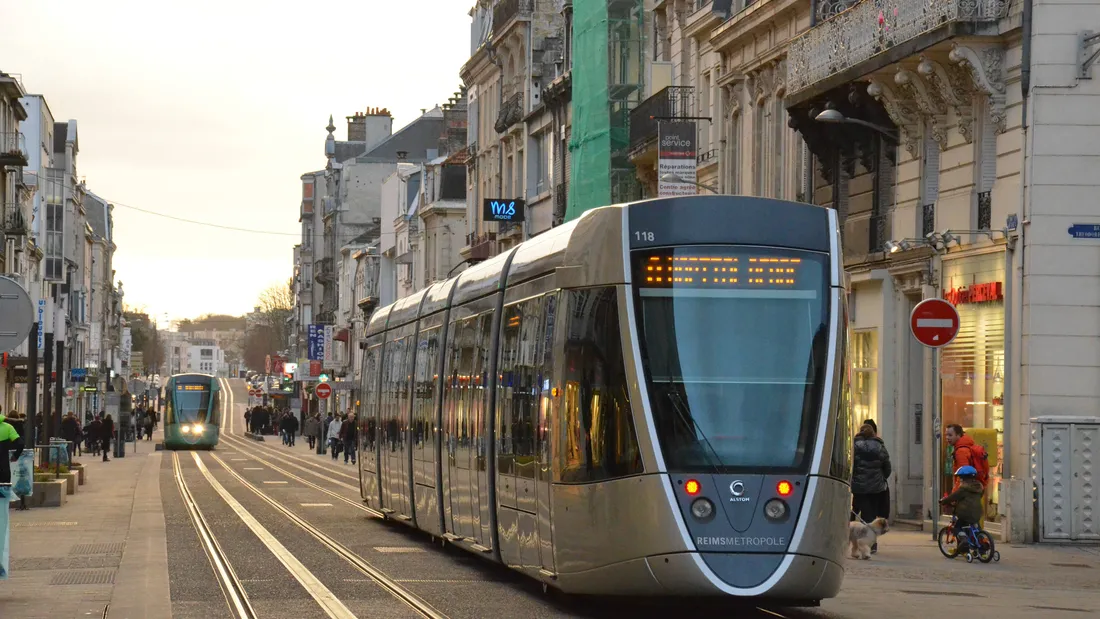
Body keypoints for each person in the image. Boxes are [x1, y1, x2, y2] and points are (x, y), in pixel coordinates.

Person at [851, 423, 891, 553]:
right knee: (872, 515)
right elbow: (887, 466)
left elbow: (851, 465)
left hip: (859, 486)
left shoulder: (855, 446)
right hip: (876, 487)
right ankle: (872, 543)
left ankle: (864, 541)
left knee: (864, 513)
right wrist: (881, 478)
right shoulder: (879, 445)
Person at [939, 465, 984, 551]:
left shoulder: (963, 489)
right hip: (977, 512)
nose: (960, 480)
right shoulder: (979, 488)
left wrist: (943, 501)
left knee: (957, 527)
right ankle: (982, 545)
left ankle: (964, 540)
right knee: (976, 528)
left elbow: (952, 497)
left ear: (964, 478)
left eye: (960, 478)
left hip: (965, 513)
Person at [0, 411, 27, 489]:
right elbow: (21, 443)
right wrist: (15, 455)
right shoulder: (8, 427)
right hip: (4, 467)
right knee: (4, 490)